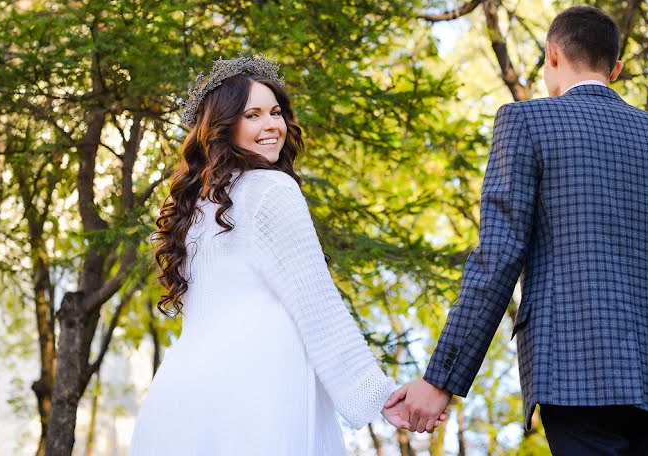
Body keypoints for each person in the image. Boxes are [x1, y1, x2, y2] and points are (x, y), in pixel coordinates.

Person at [389, 6, 648, 455]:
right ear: (615, 69)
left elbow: (499, 257)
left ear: (552, 54)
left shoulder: (525, 122)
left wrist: (440, 379)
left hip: (575, 369)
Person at [130, 56, 440, 455]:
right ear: (224, 125)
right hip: (255, 392)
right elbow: (317, 304)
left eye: (275, 112)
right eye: (253, 115)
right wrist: (376, 395)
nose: (272, 125)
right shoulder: (269, 190)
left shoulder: (194, 210)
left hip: (179, 401)